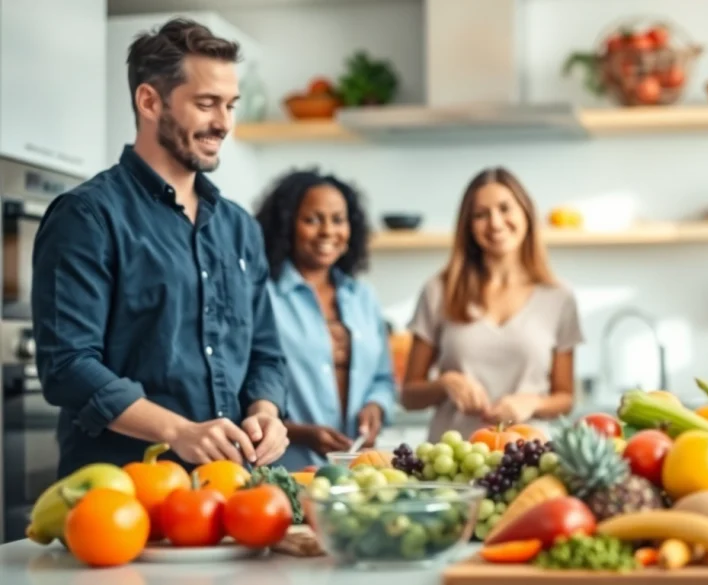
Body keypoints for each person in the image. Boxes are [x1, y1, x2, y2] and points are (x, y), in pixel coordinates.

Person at [31, 18, 290, 478]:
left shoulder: (240, 227)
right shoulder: (87, 216)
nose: (224, 123)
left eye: (230, 105)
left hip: (230, 490)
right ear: (150, 101)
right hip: (122, 496)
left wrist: (266, 413)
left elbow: (266, 353)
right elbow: (68, 366)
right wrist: (179, 432)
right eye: (206, 104)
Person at [400, 167, 583, 442]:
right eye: (480, 214)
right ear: (468, 226)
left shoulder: (559, 297)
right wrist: (446, 383)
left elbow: (565, 397)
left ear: (526, 213)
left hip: (527, 458)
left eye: (505, 209)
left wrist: (531, 403)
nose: (495, 223)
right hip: (453, 460)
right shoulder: (439, 291)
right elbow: (409, 395)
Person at [254, 169, 397, 470]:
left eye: (338, 219)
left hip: (357, 471)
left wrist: (376, 407)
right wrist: (299, 434)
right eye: (312, 220)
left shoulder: (362, 296)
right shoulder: (262, 296)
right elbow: (246, 388)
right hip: (287, 470)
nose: (328, 231)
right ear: (287, 226)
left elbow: (383, 379)